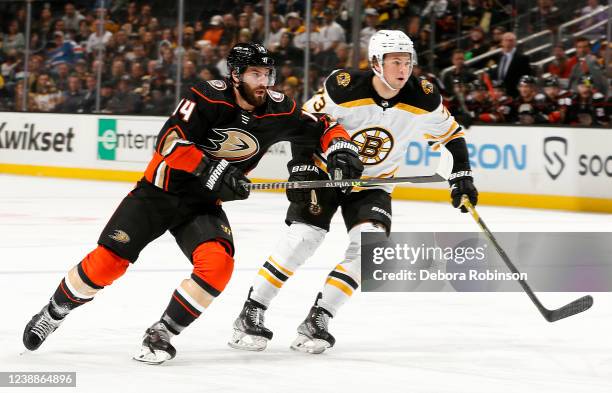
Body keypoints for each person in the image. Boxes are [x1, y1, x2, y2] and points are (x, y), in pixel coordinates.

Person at [21, 43, 362, 364]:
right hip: (158, 193)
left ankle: (162, 332)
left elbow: (322, 127)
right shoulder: (206, 96)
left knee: (217, 266)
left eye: (267, 74)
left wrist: (340, 148)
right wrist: (209, 168)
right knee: (107, 264)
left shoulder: (278, 108)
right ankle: (53, 313)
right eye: (255, 74)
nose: (263, 82)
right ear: (236, 75)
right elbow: (168, 141)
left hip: (201, 204)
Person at [228, 30, 478, 354]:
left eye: (407, 61)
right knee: (304, 238)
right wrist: (302, 165)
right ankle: (252, 310)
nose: (403, 69)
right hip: (325, 172)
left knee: (368, 249)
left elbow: (452, 135)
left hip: (374, 183)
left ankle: (319, 318)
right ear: (376, 62)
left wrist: (462, 173)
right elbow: (304, 123)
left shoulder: (424, 98)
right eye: (395, 62)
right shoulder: (343, 87)